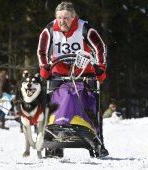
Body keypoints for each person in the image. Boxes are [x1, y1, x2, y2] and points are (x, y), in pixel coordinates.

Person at [37, 1, 108, 156]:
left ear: (74, 17)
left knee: (90, 98)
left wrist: (100, 67)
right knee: (52, 98)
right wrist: (44, 67)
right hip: (59, 70)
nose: (63, 21)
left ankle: (98, 138)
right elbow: (42, 51)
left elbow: (100, 47)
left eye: (66, 18)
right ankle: (54, 138)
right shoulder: (49, 30)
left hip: (84, 70)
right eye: (60, 18)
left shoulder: (85, 29)